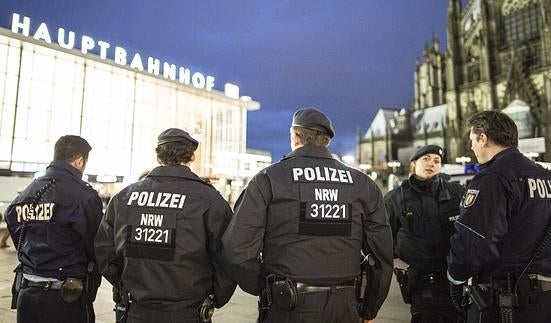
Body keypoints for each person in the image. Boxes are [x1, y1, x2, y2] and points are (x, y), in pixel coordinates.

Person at [221, 108, 394, 323]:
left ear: (295, 136)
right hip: (345, 306)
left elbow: (236, 249)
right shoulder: (363, 184)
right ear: (327, 141)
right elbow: (382, 254)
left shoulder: (269, 179)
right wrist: (369, 307)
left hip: (288, 306)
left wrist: (264, 285)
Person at [95, 128, 236, 323]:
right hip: (188, 312)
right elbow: (228, 257)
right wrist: (214, 297)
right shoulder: (210, 200)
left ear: (158, 155)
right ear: (192, 157)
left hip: (136, 309)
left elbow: (104, 251)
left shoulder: (125, 197)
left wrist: (126, 285)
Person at [447, 110, 551, 323]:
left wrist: (455, 276)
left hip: (506, 304)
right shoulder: (547, 176)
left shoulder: (492, 178)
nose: (472, 147)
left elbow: (473, 244)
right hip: (548, 301)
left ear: (483, 138)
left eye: (472, 140)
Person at [4, 135, 103, 323]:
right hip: (65, 299)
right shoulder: (84, 196)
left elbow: (14, 225)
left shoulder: (28, 192)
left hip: (27, 293)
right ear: (79, 161)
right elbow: (97, 245)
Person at [383, 145, 465, 322]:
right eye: (426, 159)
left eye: (437, 160)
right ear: (413, 163)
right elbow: (384, 240)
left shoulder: (457, 194)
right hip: (422, 284)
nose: (432, 163)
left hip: (456, 281)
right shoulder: (396, 198)